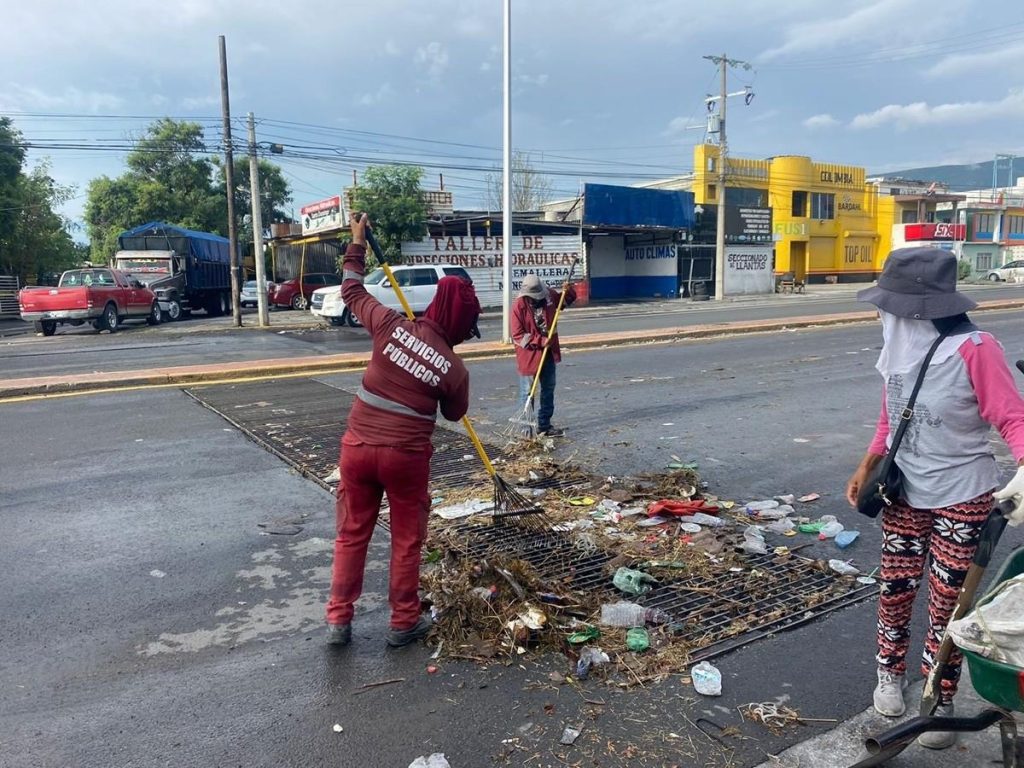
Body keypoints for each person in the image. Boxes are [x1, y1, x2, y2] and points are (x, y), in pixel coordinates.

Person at [845, 246, 1024, 750]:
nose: (884, 313)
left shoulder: (975, 349)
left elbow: (1012, 417)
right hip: (903, 489)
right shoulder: (898, 346)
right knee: (896, 588)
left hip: (962, 494)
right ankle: (888, 673)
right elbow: (890, 416)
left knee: (950, 602)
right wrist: (866, 466)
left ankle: (938, 694)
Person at [325, 213, 481, 648]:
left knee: (352, 534)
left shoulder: (390, 325)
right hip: (406, 460)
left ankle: (338, 621)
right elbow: (454, 414)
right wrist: (438, 363)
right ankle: (403, 622)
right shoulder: (454, 368)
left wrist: (357, 242)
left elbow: (352, 290)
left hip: (357, 449)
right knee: (407, 541)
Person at [511, 272, 576, 436]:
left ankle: (544, 426)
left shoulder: (549, 296)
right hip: (529, 356)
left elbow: (564, 301)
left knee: (548, 389)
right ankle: (526, 432)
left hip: (548, 353)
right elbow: (518, 335)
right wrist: (540, 341)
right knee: (527, 393)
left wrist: (568, 291)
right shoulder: (519, 306)